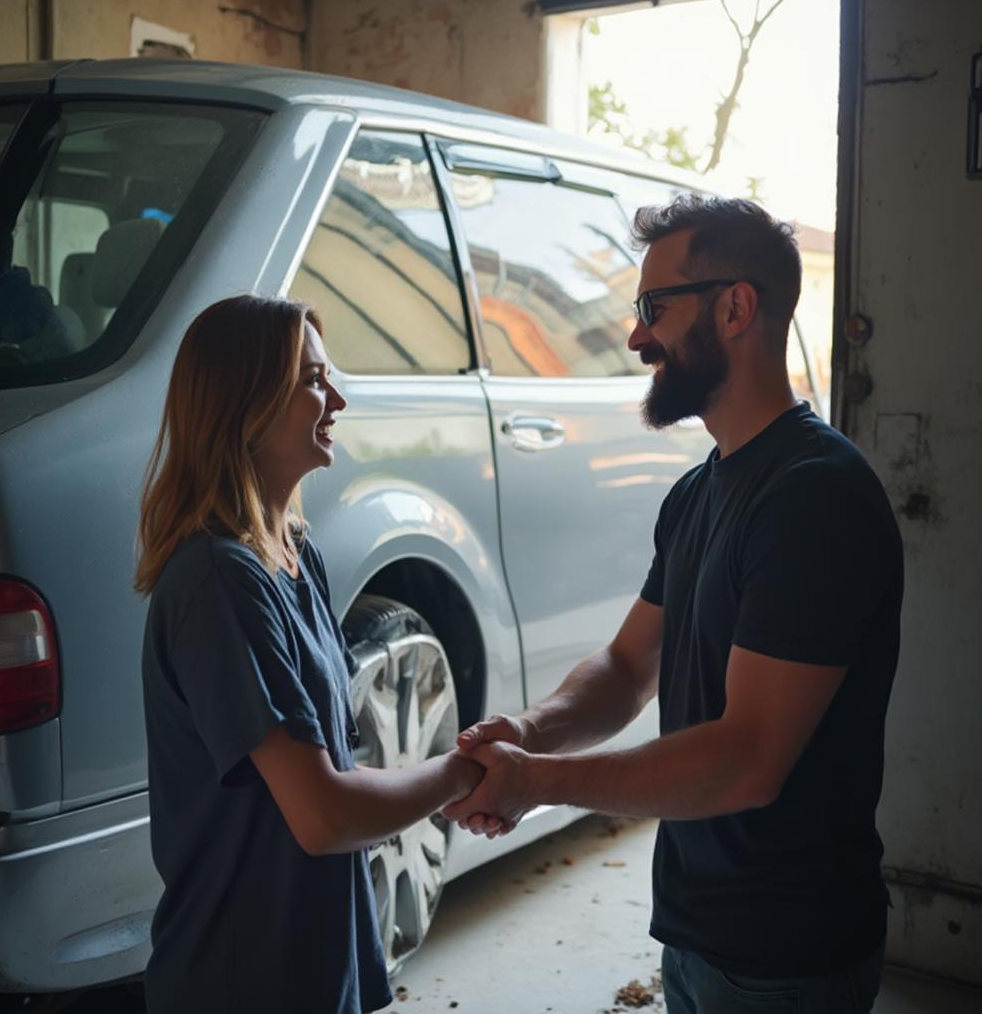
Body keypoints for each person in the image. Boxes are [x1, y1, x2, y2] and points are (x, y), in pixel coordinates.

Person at [443, 196, 903, 1013]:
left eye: (655, 308)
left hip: (786, 954)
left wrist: (538, 782)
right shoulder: (701, 491)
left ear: (735, 307)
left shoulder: (813, 498)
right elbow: (626, 669)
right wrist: (528, 731)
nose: (635, 336)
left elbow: (748, 758)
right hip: (698, 933)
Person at [135, 295, 482, 1014]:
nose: (338, 399)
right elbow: (321, 813)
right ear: (245, 404)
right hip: (240, 978)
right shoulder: (219, 581)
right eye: (313, 382)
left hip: (312, 961)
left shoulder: (295, 555)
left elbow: (333, 775)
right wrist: (460, 774)